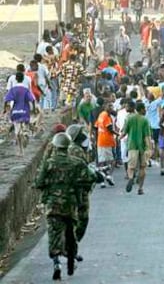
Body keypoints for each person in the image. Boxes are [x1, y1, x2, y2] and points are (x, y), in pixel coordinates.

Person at [34, 132, 96, 280]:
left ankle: (56, 263)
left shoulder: (48, 163)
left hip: (52, 204)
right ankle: (71, 258)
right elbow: (90, 177)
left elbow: (39, 183)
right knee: (70, 232)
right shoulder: (76, 162)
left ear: (55, 146)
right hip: (71, 204)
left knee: (54, 232)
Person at [66, 124, 96, 260]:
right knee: (81, 219)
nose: (84, 135)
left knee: (80, 219)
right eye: (81, 133)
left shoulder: (78, 149)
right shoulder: (75, 150)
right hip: (78, 190)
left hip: (79, 189)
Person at [121, 102, 151, 195]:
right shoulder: (145, 120)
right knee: (142, 168)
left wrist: (119, 138)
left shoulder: (129, 118)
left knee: (131, 167)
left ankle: (131, 178)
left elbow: (124, 132)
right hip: (142, 147)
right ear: (141, 109)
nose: (145, 110)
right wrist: (149, 148)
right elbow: (147, 137)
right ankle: (140, 189)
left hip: (132, 145)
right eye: (144, 109)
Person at [3, 72, 36, 155]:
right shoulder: (26, 89)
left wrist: (4, 109)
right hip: (25, 112)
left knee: (17, 132)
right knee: (25, 127)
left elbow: (7, 100)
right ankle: (25, 134)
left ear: (16, 79)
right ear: (23, 79)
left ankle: (21, 151)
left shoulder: (13, 89)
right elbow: (32, 100)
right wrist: (34, 109)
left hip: (15, 112)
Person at [94, 102, 118, 188]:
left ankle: (102, 181)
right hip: (107, 141)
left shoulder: (101, 115)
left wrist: (96, 139)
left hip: (100, 141)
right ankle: (109, 176)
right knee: (112, 161)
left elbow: (96, 127)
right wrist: (119, 134)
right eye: (110, 107)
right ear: (106, 107)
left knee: (102, 161)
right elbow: (110, 129)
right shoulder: (107, 116)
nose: (111, 109)